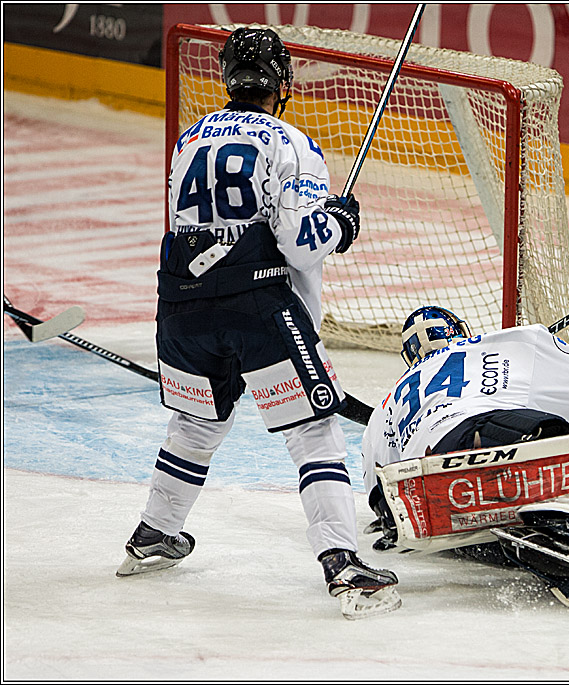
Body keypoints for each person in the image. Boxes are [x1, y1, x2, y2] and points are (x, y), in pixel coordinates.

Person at [116, 27, 399, 618]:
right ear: (284, 84)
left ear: (228, 80)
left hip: (182, 304)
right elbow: (300, 244)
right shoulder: (292, 142)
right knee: (314, 432)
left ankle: (152, 536)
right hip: (259, 307)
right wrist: (340, 224)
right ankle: (344, 565)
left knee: (195, 426)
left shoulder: (189, 140)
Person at [359, 305, 569, 607]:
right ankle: (555, 519)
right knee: (550, 431)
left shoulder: (386, 408)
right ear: (462, 330)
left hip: (432, 480)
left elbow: (380, 497)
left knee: (461, 533)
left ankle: (530, 546)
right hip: (494, 432)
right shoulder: (503, 343)